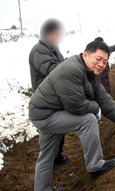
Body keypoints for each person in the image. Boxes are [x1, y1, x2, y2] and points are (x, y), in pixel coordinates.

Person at [29, 41, 115, 191]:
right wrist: (96, 109)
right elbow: (75, 105)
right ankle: (95, 165)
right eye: (98, 59)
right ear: (86, 54)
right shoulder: (72, 70)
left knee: (47, 155)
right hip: (46, 114)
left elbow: (103, 98)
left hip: (47, 111)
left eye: (105, 61)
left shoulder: (89, 72)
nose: (101, 64)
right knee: (88, 120)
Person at [28, 19, 70, 171]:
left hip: (56, 95)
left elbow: (61, 65)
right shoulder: (39, 50)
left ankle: (57, 156)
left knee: (60, 129)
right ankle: (48, 163)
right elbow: (53, 70)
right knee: (50, 133)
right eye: (57, 33)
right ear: (48, 33)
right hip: (45, 97)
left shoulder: (54, 48)